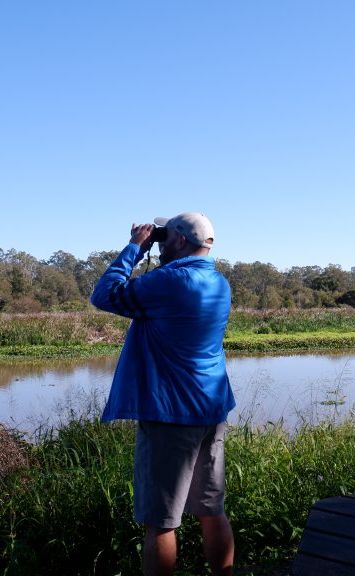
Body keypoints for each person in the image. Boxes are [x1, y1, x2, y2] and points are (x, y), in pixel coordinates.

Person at [90, 212, 235, 576]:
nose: (161, 240)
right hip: (210, 409)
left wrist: (136, 247)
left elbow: (104, 295)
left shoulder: (170, 281)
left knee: (161, 521)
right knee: (210, 509)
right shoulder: (219, 283)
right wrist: (159, 241)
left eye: (165, 235)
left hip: (171, 414)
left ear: (181, 241)